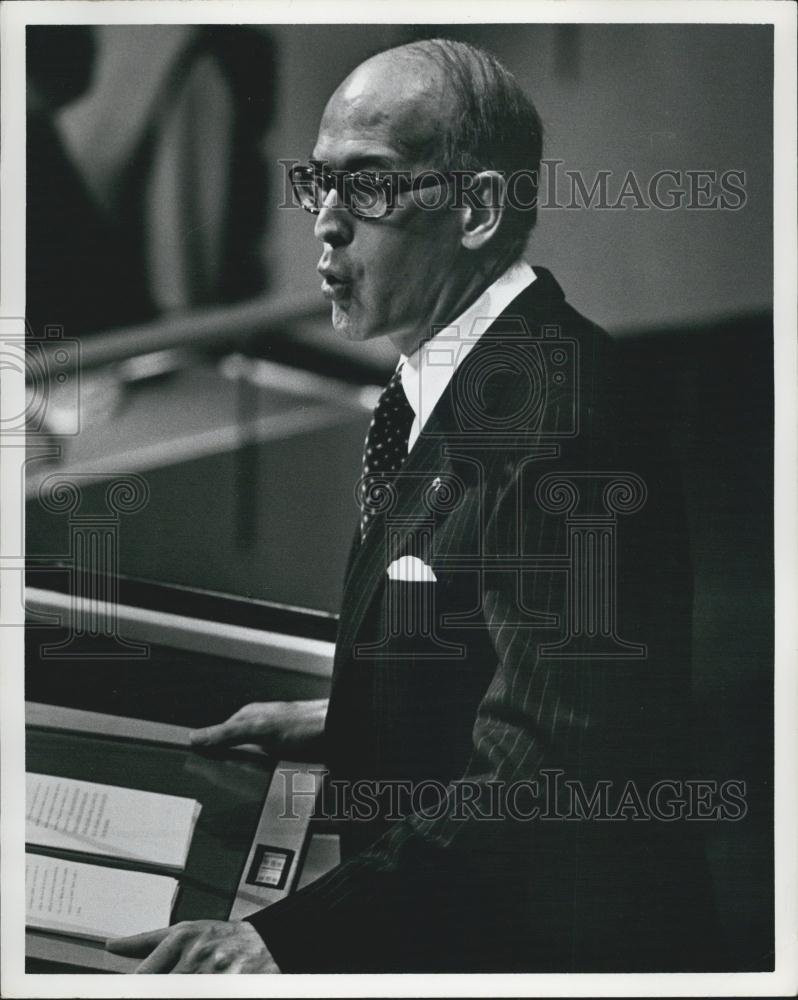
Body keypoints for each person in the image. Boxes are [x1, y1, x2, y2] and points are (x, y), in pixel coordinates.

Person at [107, 38, 719, 974]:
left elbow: (547, 773)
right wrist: (354, 717)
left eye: (369, 185)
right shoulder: (452, 377)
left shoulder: (564, 418)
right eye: (319, 182)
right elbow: (493, 651)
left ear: (478, 209)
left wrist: (284, 941)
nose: (326, 223)